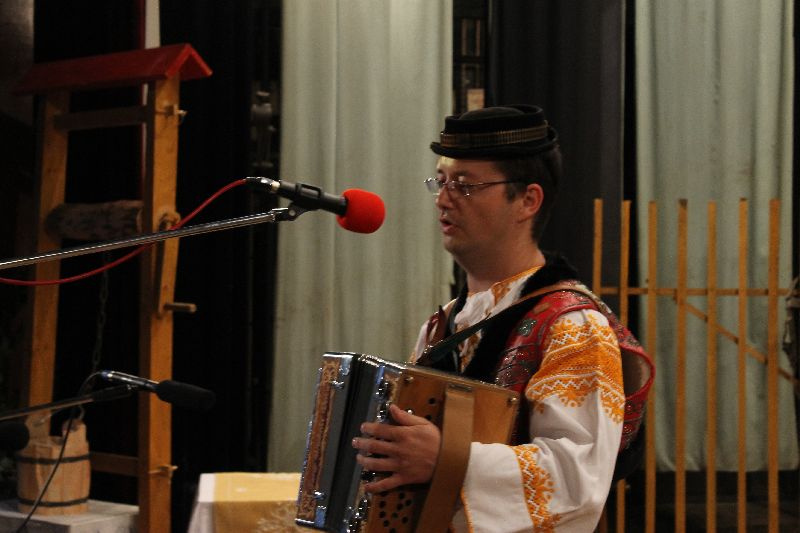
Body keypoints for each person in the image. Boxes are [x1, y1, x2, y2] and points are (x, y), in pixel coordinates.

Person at [351, 105, 625, 532]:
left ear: (528, 200)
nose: (443, 199)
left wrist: (449, 459)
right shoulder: (443, 323)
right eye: (441, 182)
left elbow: (577, 479)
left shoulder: (573, 326)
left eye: (465, 185)